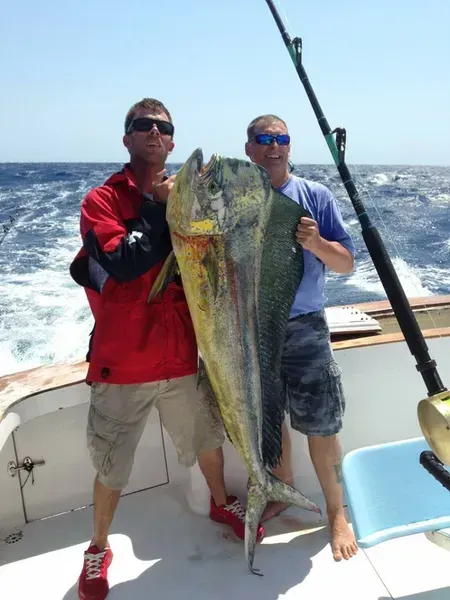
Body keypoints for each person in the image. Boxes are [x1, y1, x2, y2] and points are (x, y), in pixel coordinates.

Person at [69, 97, 264, 600]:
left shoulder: (188, 195)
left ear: (172, 141)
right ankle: (97, 546)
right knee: (112, 465)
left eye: (163, 127)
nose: (153, 133)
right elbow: (125, 263)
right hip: (122, 363)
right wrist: (160, 208)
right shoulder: (102, 201)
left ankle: (220, 501)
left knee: (206, 438)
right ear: (127, 138)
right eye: (142, 126)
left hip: (180, 356)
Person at [245, 114, 358, 562]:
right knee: (268, 421)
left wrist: (316, 244)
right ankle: (283, 489)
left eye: (282, 139)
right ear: (250, 148)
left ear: (290, 147)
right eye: (264, 139)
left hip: (306, 327)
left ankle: (336, 512)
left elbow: (347, 262)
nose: (274, 146)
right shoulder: (237, 201)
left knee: (321, 425)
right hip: (253, 331)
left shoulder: (316, 197)